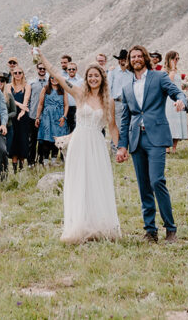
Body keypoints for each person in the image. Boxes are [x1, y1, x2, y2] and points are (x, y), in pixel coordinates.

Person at [37, 50, 121, 243]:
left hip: (97, 146)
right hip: (79, 143)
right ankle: (79, 226)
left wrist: (120, 148)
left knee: (97, 182)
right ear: (86, 78)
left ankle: (99, 225)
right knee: (79, 182)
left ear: (102, 78)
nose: (93, 79)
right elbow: (57, 74)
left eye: (96, 75)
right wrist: (41, 56)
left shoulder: (108, 101)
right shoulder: (79, 93)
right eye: (90, 76)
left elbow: (113, 127)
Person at [116, 45, 187, 243]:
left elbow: (177, 93)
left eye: (140, 56)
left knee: (157, 181)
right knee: (144, 186)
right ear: (129, 61)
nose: (136, 59)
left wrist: (181, 101)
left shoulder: (159, 77)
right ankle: (150, 230)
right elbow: (125, 119)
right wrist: (122, 146)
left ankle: (170, 228)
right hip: (136, 139)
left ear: (145, 58)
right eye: (133, 57)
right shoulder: (127, 87)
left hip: (155, 137)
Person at [36, 75, 69, 164]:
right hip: (47, 117)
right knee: (46, 138)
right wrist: (37, 117)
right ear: (49, 79)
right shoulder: (45, 89)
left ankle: (54, 160)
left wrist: (64, 116)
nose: (54, 80)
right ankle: (46, 160)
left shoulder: (63, 90)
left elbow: (66, 105)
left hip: (59, 116)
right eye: (52, 78)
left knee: (58, 137)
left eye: (56, 78)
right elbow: (40, 104)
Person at [6, 67, 32, 172]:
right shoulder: (8, 86)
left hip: (23, 117)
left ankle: (21, 166)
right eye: (15, 73)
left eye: (19, 72)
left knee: (23, 140)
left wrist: (22, 111)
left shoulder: (27, 86)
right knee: (13, 140)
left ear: (23, 74)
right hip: (12, 115)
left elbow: (26, 99)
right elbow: (10, 99)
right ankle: (14, 167)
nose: (17, 74)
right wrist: (21, 106)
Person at [162, 51, 188, 151]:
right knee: (169, 122)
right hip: (169, 99)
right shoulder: (165, 70)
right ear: (169, 59)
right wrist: (172, 69)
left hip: (178, 98)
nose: (176, 61)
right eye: (175, 59)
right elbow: (169, 81)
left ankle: (174, 147)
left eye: (178, 59)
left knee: (177, 122)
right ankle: (167, 147)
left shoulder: (176, 70)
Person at [28, 62, 50, 164]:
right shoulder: (31, 83)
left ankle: (41, 160)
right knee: (32, 140)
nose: (42, 70)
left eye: (44, 68)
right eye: (40, 68)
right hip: (33, 115)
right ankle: (31, 161)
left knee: (43, 140)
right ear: (37, 69)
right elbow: (28, 98)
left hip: (45, 116)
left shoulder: (50, 83)